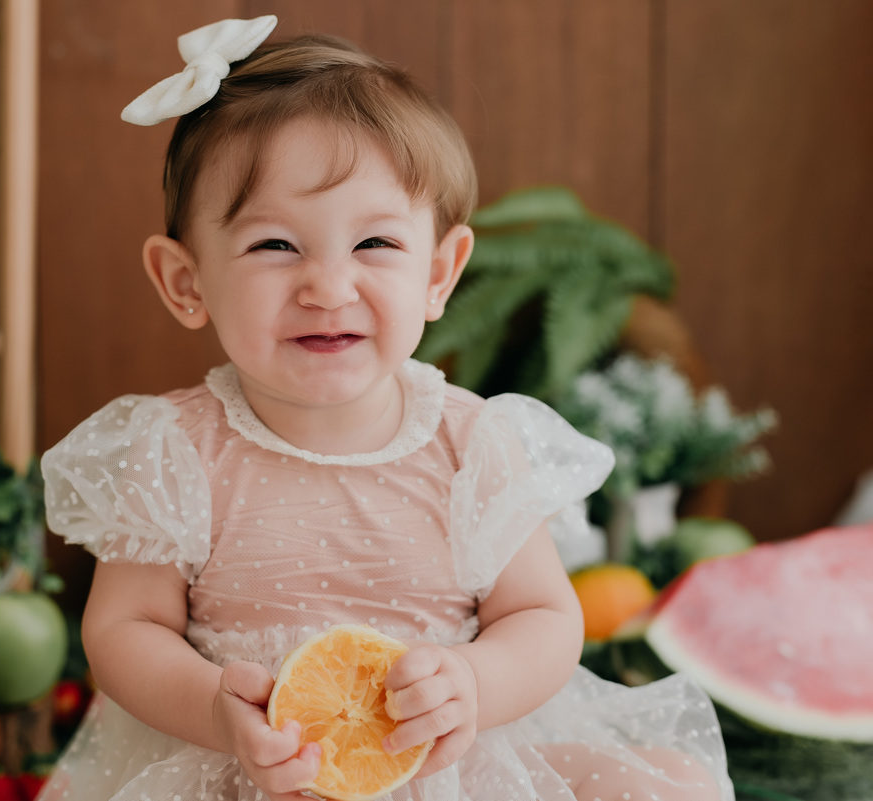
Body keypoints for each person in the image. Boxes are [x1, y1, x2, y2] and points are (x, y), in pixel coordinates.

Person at [38, 16, 733, 801]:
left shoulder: (473, 442)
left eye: (375, 245)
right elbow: (123, 632)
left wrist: (474, 680)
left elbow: (544, 616)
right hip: (248, 772)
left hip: (447, 769)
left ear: (440, 273)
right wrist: (212, 708)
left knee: (668, 784)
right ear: (186, 281)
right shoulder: (177, 449)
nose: (329, 287)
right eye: (275, 246)